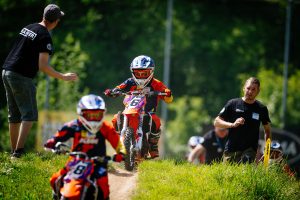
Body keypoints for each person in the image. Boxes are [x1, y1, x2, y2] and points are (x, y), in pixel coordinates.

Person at [2, 4, 78, 158]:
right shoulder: (44, 36)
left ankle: (13, 152)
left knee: (14, 115)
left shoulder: (28, 27)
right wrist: (63, 76)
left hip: (6, 71)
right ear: (56, 21)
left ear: (43, 16)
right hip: (21, 76)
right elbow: (43, 66)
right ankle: (18, 152)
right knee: (28, 115)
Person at [44, 94, 126, 199]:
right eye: (90, 115)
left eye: (97, 115)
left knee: (103, 188)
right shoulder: (74, 125)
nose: (93, 118)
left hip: (98, 163)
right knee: (55, 179)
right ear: (81, 113)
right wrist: (52, 142)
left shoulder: (105, 127)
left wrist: (122, 153)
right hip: (75, 161)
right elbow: (59, 135)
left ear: (103, 114)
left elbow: (118, 143)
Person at [104, 55, 173, 158]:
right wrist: (113, 91)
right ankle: (119, 142)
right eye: (138, 73)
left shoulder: (156, 83)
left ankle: (153, 145)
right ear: (133, 72)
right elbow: (119, 88)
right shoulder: (129, 82)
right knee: (115, 119)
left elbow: (168, 98)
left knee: (156, 120)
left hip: (148, 112)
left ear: (151, 72)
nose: (141, 76)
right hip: (130, 109)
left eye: (144, 73)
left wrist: (167, 93)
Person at [214, 77, 271, 164]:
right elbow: (217, 122)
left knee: (245, 169)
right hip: (231, 149)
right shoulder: (233, 103)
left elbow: (267, 130)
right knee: (229, 176)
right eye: (248, 88)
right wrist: (232, 124)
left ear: (258, 91)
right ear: (244, 88)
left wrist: (267, 150)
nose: (250, 91)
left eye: (253, 89)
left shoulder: (261, 108)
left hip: (250, 150)